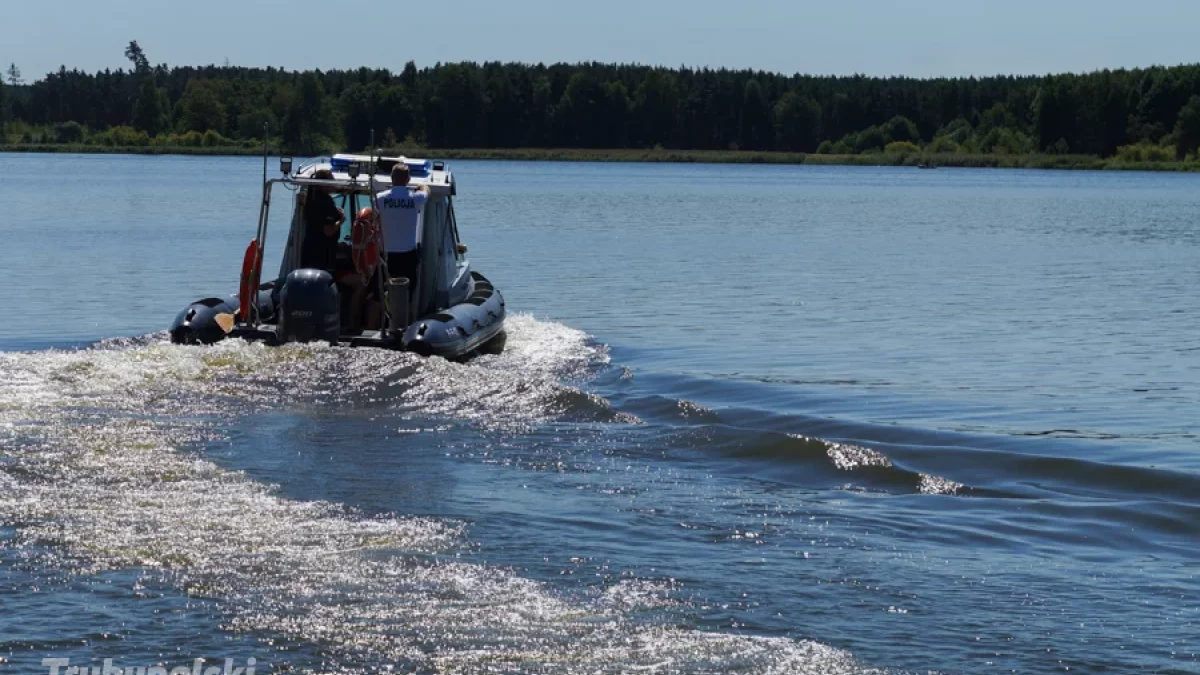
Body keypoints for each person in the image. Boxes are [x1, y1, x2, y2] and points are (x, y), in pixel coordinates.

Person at [375, 163, 430, 283]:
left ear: (391, 178)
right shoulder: (416, 198)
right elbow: (426, 191)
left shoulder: (379, 198)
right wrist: (422, 186)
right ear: (408, 179)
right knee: (408, 288)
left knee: (385, 286)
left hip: (386, 254)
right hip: (408, 254)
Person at [299, 169, 344, 272]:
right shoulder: (326, 202)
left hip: (308, 252)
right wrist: (341, 219)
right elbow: (328, 231)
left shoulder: (310, 200)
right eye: (331, 182)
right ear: (324, 184)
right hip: (322, 254)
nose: (333, 184)